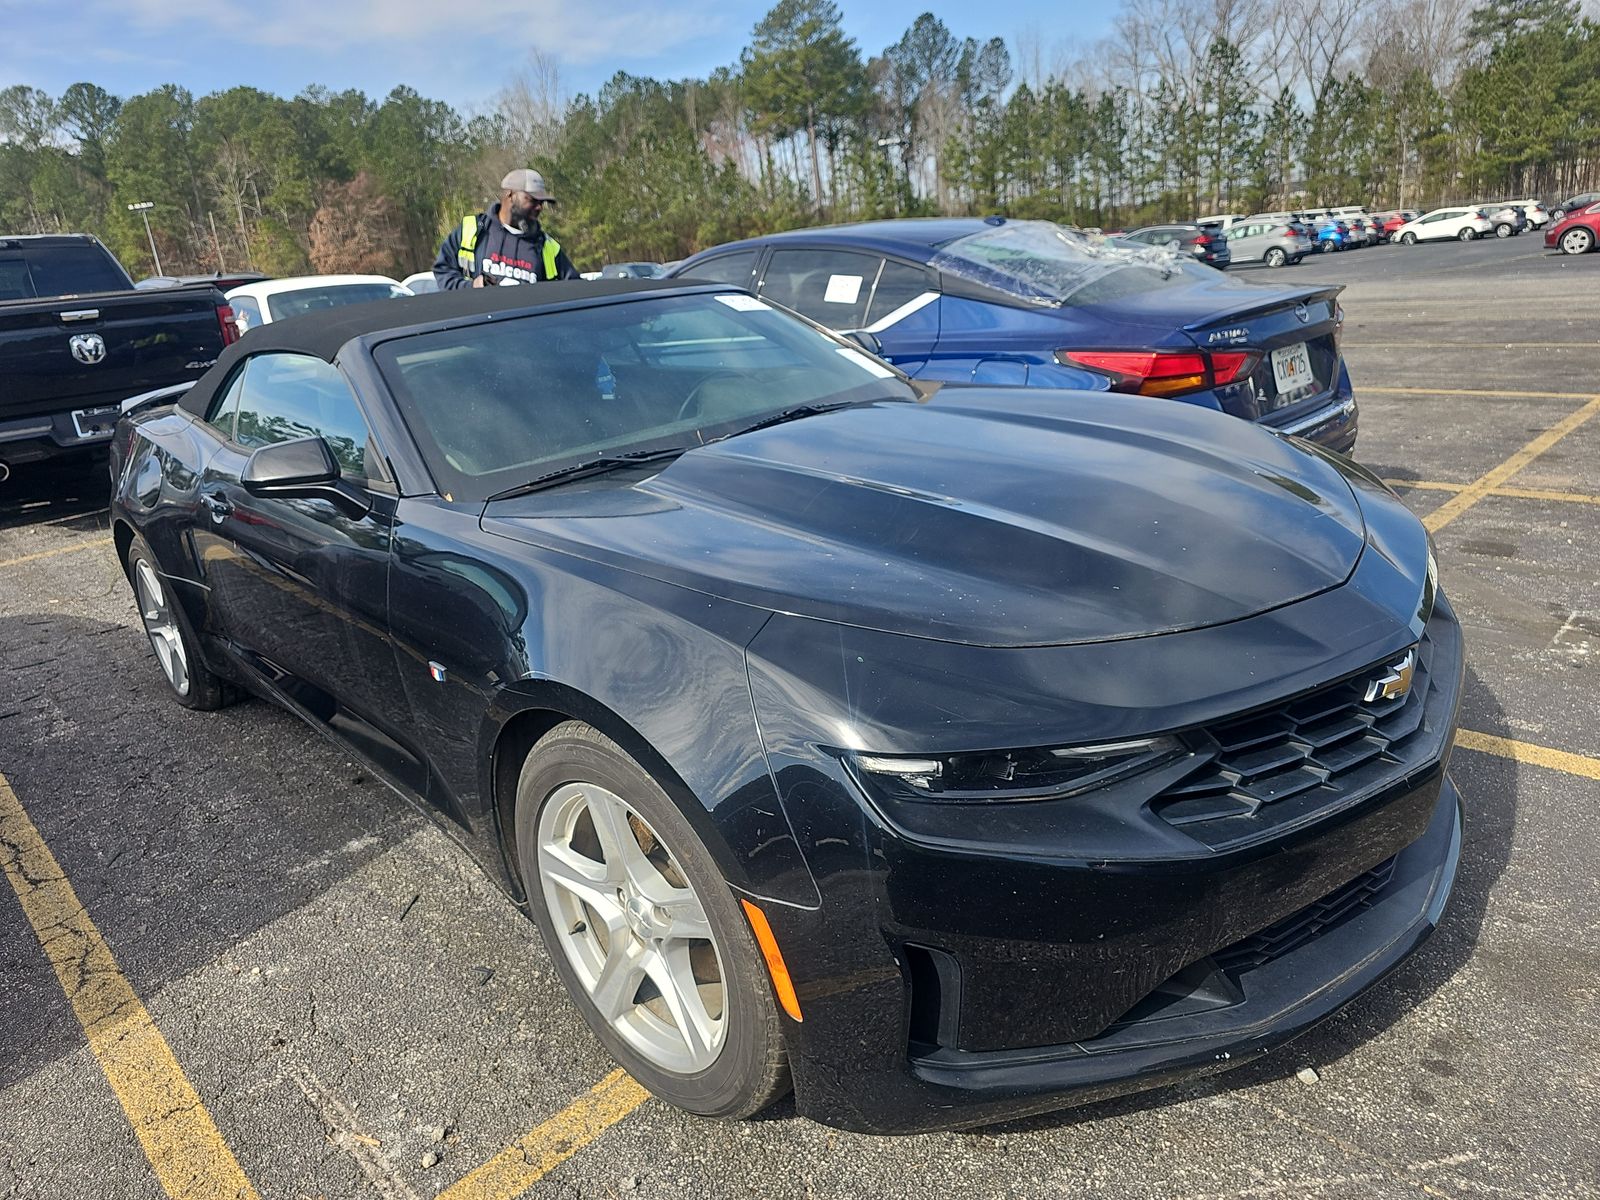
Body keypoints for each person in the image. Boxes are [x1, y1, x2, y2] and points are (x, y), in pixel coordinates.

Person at [432, 169, 579, 290]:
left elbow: (575, 290)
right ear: (510, 194)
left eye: (541, 202)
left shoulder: (547, 247)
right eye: (532, 200)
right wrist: (471, 287)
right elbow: (443, 271)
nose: (539, 207)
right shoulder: (473, 230)